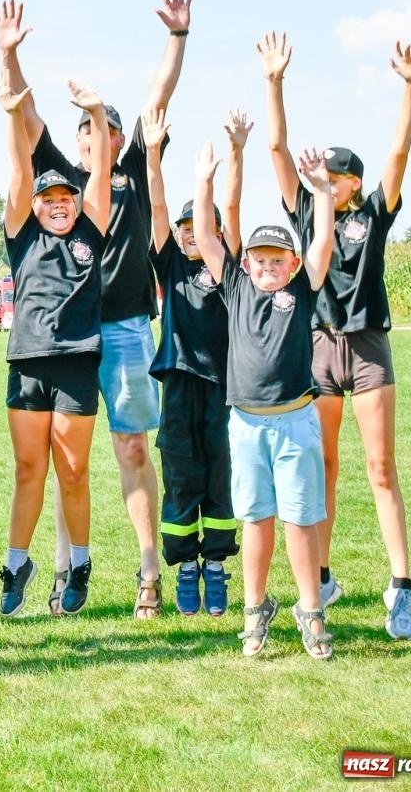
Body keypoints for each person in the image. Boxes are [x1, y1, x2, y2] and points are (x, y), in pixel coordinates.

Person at [0, 0, 193, 617]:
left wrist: (176, 36)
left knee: (133, 449)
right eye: (89, 128)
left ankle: (148, 570)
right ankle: (64, 569)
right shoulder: (62, 184)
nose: (98, 136)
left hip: (128, 328)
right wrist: (10, 55)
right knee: (67, 458)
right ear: (80, 140)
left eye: (107, 127)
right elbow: (25, 115)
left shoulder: (130, 171)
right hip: (69, 340)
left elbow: (158, 96)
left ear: (116, 136)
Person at [260, 32, 411, 640]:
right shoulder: (307, 211)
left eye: (334, 174)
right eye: (320, 173)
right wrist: (274, 81)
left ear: (353, 181)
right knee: (323, 466)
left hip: (368, 345)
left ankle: (400, 588)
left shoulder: (374, 211)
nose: (324, 179)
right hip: (319, 347)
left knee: (380, 467)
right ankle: (322, 579)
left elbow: (398, 153)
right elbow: (276, 146)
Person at [191, 141, 336, 659]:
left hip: (296, 422)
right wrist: (204, 180)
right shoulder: (235, 286)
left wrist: (322, 190)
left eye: (278, 259)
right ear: (247, 263)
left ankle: (311, 610)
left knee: (300, 519)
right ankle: (255, 609)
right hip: (248, 425)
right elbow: (206, 235)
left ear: (292, 264)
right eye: (260, 258)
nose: (268, 266)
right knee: (255, 520)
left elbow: (323, 240)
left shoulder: (303, 289)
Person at [0, 69, 111, 617]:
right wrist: (12, 115)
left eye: (67, 197)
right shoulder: (22, 235)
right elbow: (21, 171)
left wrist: (96, 113)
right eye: (49, 198)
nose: (59, 204)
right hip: (27, 364)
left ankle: (79, 564)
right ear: (35, 205)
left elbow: (101, 172)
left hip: (77, 364)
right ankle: (17, 564)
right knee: (28, 470)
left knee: (72, 471)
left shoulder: (91, 231)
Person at [145, 108, 248, 617]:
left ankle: (217, 564)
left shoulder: (227, 267)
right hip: (179, 386)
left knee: (220, 475)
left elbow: (231, 205)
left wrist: (236, 154)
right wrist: (153, 154)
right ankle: (186, 565)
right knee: (182, 475)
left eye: (198, 227)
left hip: (224, 388)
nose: (190, 234)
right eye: (185, 228)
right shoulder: (169, 263)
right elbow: (157, 203)